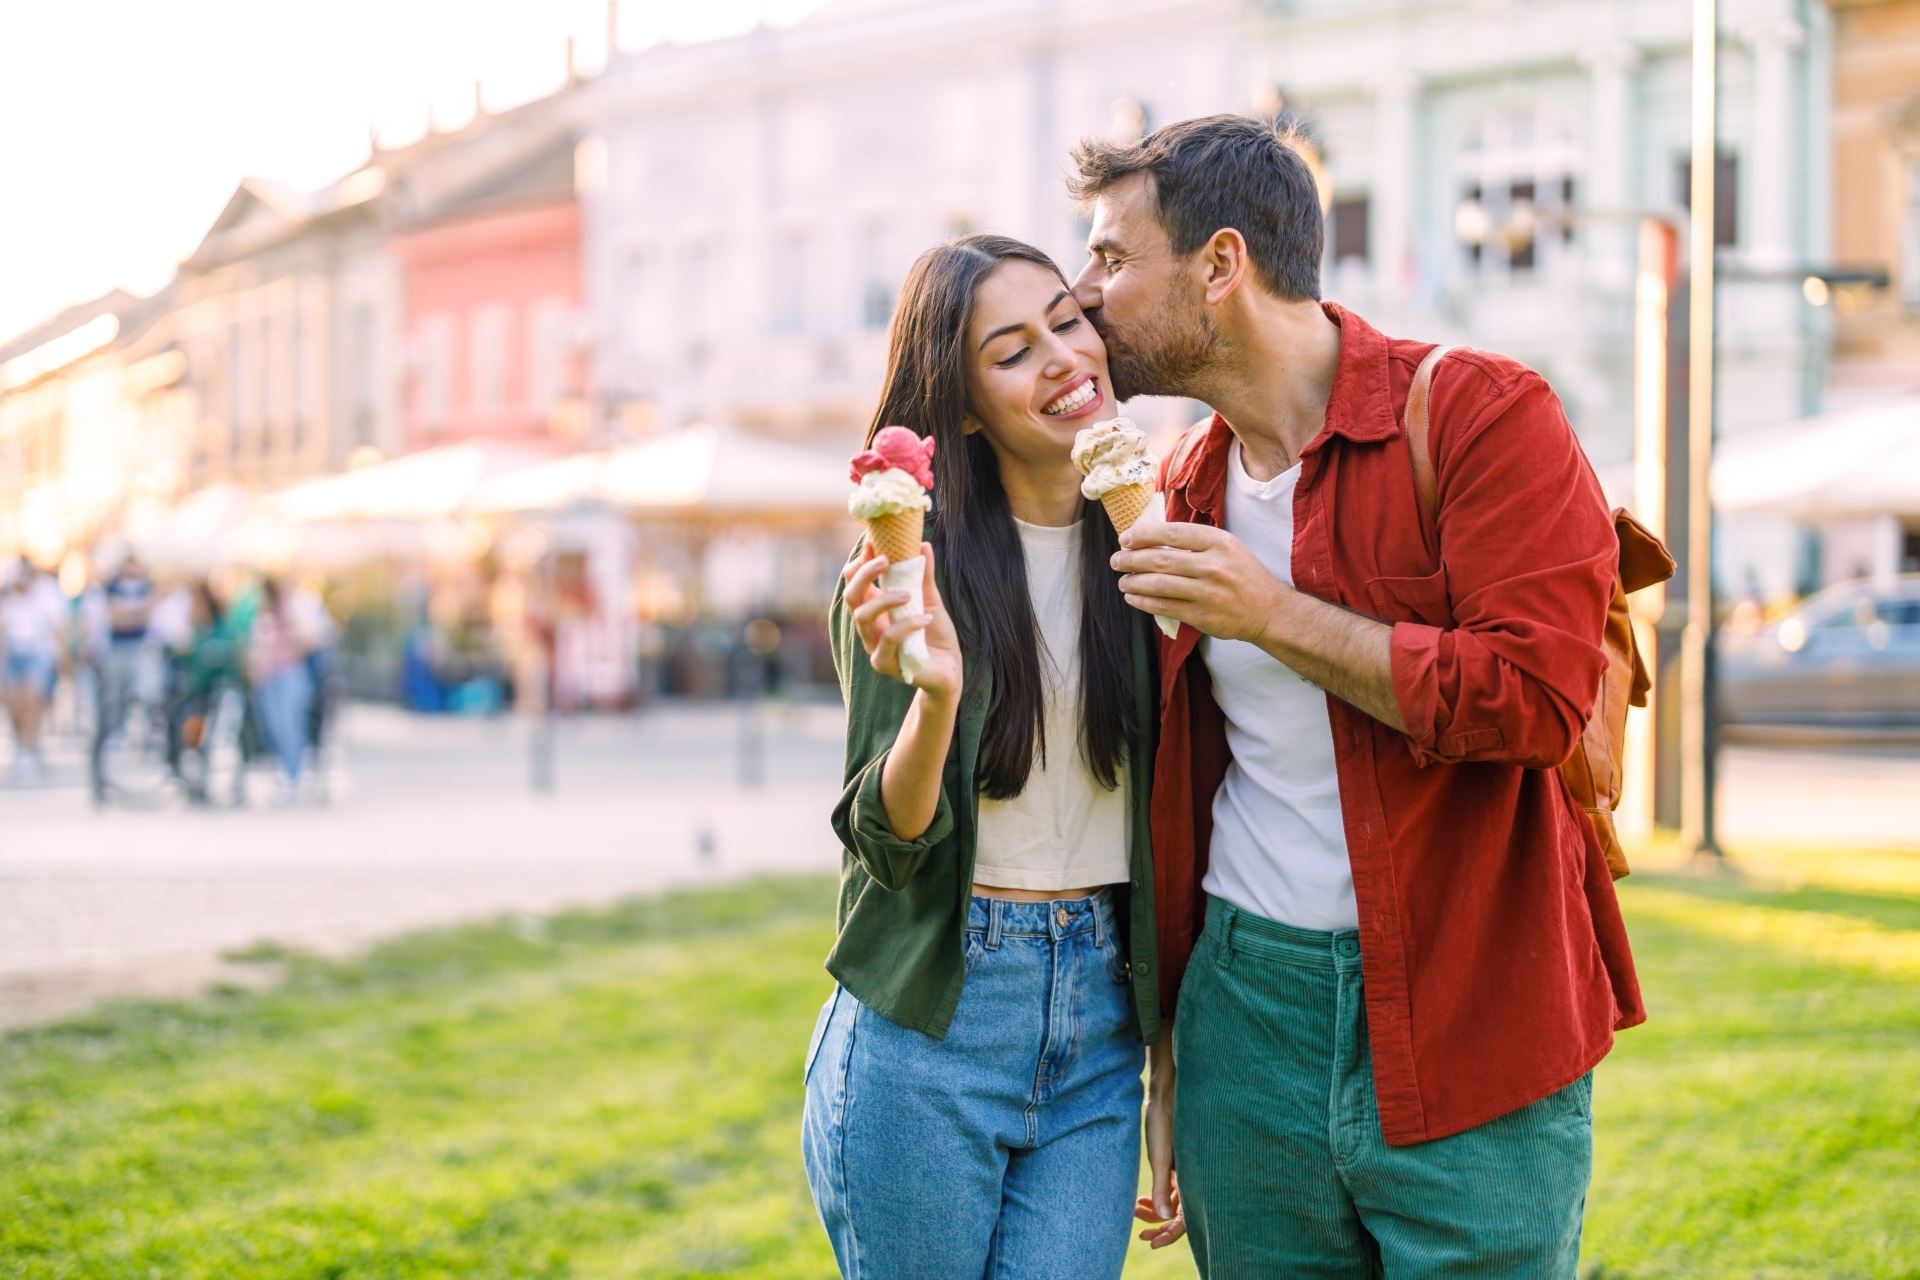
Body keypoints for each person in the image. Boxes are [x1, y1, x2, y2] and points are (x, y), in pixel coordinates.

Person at [1068, 114, 1640, 1276]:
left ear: (1220, 266)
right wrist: (1172, 1047)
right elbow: (1178, 791)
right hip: (1248, 1025)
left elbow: (1532, 695)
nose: (1085, 294)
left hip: (1478, 1005)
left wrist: (1271, 611)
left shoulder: (1484, 413)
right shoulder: (1180, 484)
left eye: (1114, 259)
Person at [803, 234, 1163, 1280]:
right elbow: (889, 839)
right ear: (961, 404)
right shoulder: (904, 571)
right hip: (934, 1020)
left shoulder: (1151, 545)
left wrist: (1167, 1048)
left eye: (1067, 318)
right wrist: (939, 694)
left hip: (1100, 1026)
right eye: (1012, 350)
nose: (1062, 356)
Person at [247, 576, 316, 802]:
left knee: (289, 726)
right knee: (274, 727)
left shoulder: (290, 612)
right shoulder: (262, 618)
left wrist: (287, 625)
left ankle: (294, 776)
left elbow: (306, 643)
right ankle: (286, 773)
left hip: (288, 676)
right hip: (268, 678)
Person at [1, 556, 67, 783]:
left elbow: (57, 626)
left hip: (37, 653)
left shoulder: (46, 592)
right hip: (11, 654)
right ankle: (24, 744)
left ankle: (28, 750)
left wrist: (63, 659)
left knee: (32, 700)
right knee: (13, 704)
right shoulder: (8, 596)